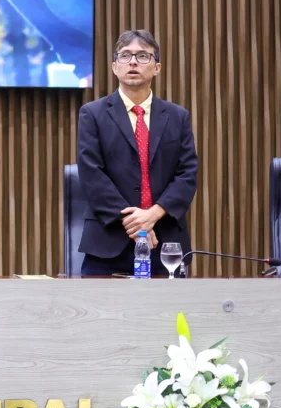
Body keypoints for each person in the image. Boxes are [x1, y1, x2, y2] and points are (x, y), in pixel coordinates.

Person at [76, 30, 199, 277]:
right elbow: (92, 175)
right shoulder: (93, 114)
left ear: (157, 68)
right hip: (107, 244)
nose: (133, 62)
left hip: (165, 246)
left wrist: (152, 215)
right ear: (114, 66)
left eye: (143, 56)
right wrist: (137, 224)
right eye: (125, 56)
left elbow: (187, 174)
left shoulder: (177, 116)